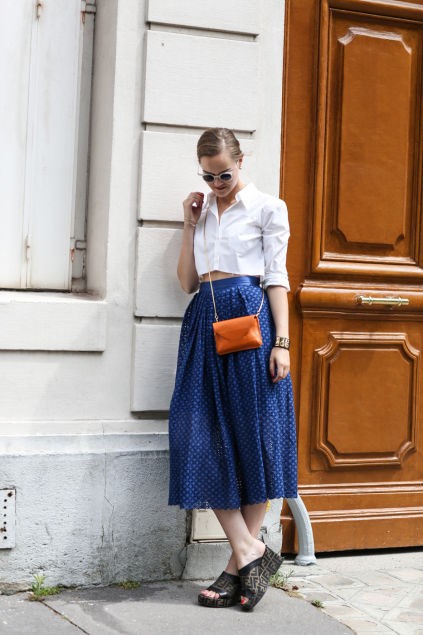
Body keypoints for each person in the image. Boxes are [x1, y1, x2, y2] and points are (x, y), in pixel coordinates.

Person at [168, 128, 297, 611]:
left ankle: (235, 565)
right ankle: (250, 550)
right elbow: (187, 283)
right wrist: (189, 225)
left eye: (224, 174)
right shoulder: (201, 212)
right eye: (208, 176)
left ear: (241, 161)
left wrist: (282, 342)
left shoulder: (268, 208)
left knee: (253, 436)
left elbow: (277, 277)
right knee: (197, 435)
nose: (217, 183)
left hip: (250, 322)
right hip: (204, 319)